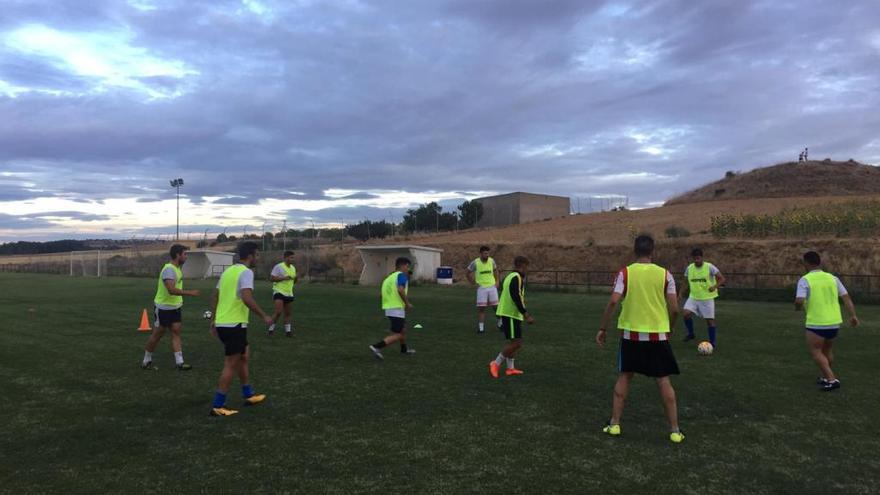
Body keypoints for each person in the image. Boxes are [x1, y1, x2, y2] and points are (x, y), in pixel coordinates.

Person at [596, 235, 684, 443]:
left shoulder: (625, 273)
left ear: (634, 250)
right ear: (652, 251)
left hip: (630, 335)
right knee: (663, 380)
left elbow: (613, 302)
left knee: (624, 377)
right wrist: (669, 329)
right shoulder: (665, 275)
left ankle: (615, 424)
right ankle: (675, 431)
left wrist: (602, 328)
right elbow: (674, 309)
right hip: (657, 336)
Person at [207, 241, 274, 417]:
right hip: (233, 324)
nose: (258, 258)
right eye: (257, 254)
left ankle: (248, 394)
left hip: (226, 323)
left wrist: (214, 320)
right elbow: (246, 297)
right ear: (250, 256)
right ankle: (218, 405)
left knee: (244, 356)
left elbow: (215, 296)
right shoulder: (246, 272)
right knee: (231, 363)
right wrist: (263, 316)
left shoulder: (228, 271)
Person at [794, 251, 859, 391]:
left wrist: (798, 307)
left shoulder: (805, 280)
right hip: (834, 322)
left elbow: (799, 300)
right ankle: (825, 377)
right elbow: (846, 298)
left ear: (806, 263)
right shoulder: (833, 278)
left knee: (816, 352)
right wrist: (853, 316)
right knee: (827, 350)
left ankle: (831, 379)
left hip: (817, 322)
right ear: (819, 262)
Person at [141, 244, 200, 371]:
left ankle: (180, 362)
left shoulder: (177, 269)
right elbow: (171, 290)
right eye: (185, 254)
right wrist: (190, 293)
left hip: (175, 307)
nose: (186, 257)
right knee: (157, 334)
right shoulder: (169, 269)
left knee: (176, 332)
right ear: (177, 255)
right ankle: (146, 360)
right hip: (163, 308)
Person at [488, 256, 534, 378]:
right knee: (517, 343)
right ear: (522, 266)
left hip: (508, 313)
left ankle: (510, 368)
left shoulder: (509, 276)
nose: (527, 269)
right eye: (526, 266)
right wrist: (526, 314)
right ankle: (495, 363)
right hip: (511, 314)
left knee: (513, 341)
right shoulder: (517, 277)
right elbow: (516, 296)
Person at [369, 257, 416, 359]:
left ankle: (404, 349)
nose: (408, 269)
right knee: (398, 334)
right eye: (408, 267)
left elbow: (381, 295)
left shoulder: (389, 278)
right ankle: (376, 347)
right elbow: (400, 290)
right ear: (403, 266)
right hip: (396, 309)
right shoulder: (401, 276)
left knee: (403, 330)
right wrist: (407, 303)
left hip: (389, 308)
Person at [680, 248, 726, 346]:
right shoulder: (689, 268)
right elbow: (685, 282)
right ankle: (691, 334)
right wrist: (680, 294)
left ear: (702, 257)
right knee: (685, 314)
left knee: (710, 321)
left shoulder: (710, 267)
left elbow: (722, 279)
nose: (696, 260)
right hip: (693, 297)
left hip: (707, 299)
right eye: (695, 259)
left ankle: (712, 343)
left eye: (698, 258)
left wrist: (714, 286)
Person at [467, 246, 501, 333]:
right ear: (481, 253)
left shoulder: (491, 261)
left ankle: (500, 323)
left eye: (488, 253)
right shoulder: (475, 262)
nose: (487, 255)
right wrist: (473, 282)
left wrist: (497, 281)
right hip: (482, 288)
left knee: (496, 307)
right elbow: (468, 273)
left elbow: (496, 271)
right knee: (481, 308)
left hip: (492, 287)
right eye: (485, 253)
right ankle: (481, 328)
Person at [268, 250, 297, 337]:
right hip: (279, 292)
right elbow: (271, 279)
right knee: (278, 312)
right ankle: (270, 329)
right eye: (291, 257)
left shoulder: (293, 268)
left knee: (288, 314)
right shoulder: (278, 266)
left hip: (289, 293)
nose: (293, 259)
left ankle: (288, 332)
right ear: (286, 258)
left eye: (293, 257)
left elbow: (293, 281)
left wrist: (296, 278)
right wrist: (283, 278)